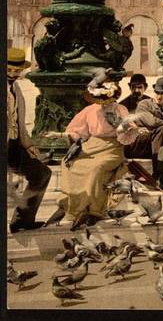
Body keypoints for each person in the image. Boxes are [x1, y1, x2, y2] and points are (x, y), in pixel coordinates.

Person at [44, 72, 139, 229]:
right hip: (91, 145)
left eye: (106, 100)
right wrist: (59, 134)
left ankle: (93, 210)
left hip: (112, 148)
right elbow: (78, 131)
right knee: (69, 163)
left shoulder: (120, 109)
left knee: (96, 168)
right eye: (100, 100)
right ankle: (70, 205)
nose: (103, 103)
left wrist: (123, 126)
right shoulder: (90, 110)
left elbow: (129, 131)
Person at [7, 47, 52, 233]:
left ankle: (22, 220)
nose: (13, 73)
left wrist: (28, 144)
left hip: (14, 144)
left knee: (41, 174)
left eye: (17, 70)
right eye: (9, 69)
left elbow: (18, 118)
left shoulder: (16, 88)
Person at [124, 76, 163, 177]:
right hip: (137, 144)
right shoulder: (144, 104)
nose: (159, 96)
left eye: (162, 93)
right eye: (157, 93)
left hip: (154, 145)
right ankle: (159, 173)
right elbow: (152, 122)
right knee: (162, 129)